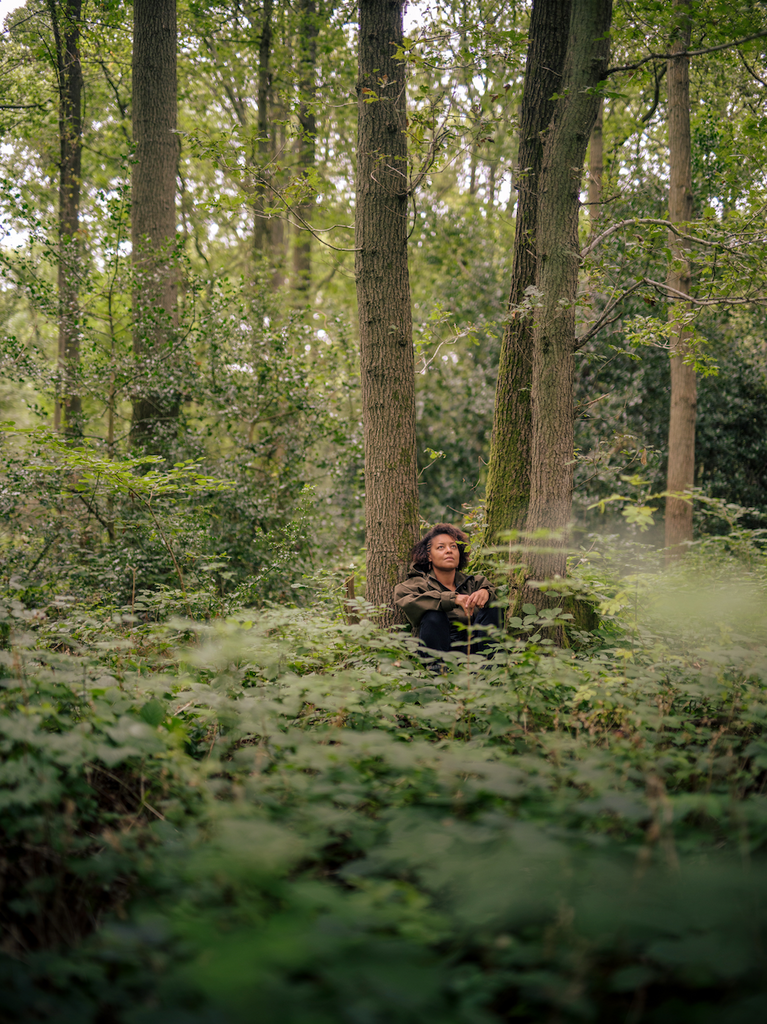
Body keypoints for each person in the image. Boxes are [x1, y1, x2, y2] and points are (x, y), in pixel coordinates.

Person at [393, 523, 500, 661]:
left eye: (453, 546)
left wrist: (487, 592)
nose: (449, 551)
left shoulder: (475, 583)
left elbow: (499, 598)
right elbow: (404, 597)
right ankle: (438, 673)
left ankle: (492, 666)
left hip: (475, 651)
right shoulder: (418, 584)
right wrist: (452, 599)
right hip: (440, 652)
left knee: (492, 605)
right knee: (433, 615)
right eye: (441, 547)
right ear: (429, 556)